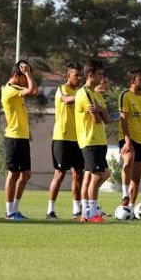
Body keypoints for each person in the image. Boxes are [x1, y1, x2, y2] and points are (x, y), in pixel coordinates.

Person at [46, 63, 84, 220]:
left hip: (79, 139)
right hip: (62, 137)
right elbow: (67, 100)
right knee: (60, 174)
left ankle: (76, 210)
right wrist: (82, 97)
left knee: (79, 174)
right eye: (76, 75)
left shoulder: (81, 92)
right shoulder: (62, 89)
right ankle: (50, 210)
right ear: (68, 76)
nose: (79, 78)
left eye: (81, 75)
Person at [1, 60, 38, 220]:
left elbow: (32, 90)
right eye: (24, 76)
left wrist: (28, 131)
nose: (26, 79)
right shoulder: (10, 89)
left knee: (26, 174)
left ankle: (15, 209)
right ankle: (9, 212)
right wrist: (28, 72)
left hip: (22, 137)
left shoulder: (16, 89)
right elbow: (33, 90)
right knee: (13, 174)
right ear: (17, 75)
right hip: (14, 137)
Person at [75, 60, 110, 223]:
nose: (102, 77)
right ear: (90, 75)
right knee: (96, 176)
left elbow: (107, 118)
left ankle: (87, 212)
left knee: (97, 175)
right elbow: (96, 119)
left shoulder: (97, 95)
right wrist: (99, 113)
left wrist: (101, 109)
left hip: (100, 140)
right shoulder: (84, 93)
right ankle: (90, 213)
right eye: (100, 74)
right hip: (90, 140)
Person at [118, 69, 141, 208]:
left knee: (137, 178)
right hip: (127, 137)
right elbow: (123, 120)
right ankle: (124, 194)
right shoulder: (125, 96)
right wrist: (127, 140)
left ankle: (130, 208)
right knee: (128, 160)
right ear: (132, 81)